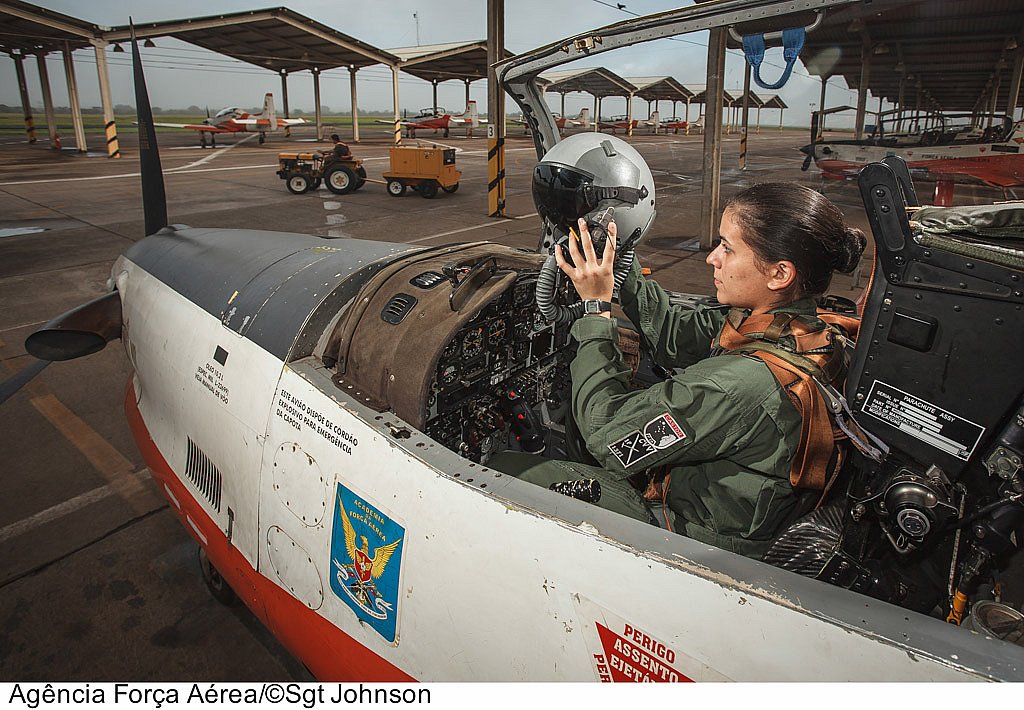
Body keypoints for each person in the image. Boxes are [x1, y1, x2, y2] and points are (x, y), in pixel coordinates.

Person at [492, 169, 866, 559]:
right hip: (746, 506)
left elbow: (606, 436)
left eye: (727, 248)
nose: (712, 258)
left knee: (504, 468)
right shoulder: (804, 332)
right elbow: (674, 332)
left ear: (779, 274)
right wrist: (620, 258)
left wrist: (596, 310)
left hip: (697, 539)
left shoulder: (736, 385)